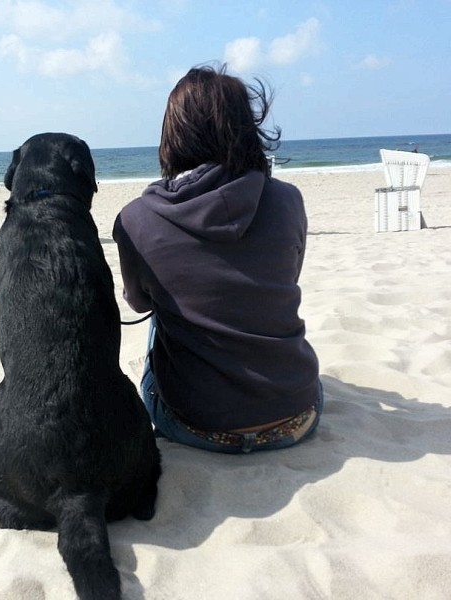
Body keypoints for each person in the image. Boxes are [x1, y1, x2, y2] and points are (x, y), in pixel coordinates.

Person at [112, 64, 322, 454]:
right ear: (247, 128)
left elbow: (138, 302)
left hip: (196, 426)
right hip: (298, 416)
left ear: (172, 134)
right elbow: (287, 275)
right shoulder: (288, 200)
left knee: (163, 311)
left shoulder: (135, 219)